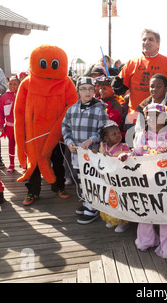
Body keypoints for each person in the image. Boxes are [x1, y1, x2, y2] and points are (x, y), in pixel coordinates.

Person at [119, 103, 167, 258]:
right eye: (150, 115)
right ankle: (146, 241)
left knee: (166, 213)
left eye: (157, 115)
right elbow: (137, 155)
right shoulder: (141, 136)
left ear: (166, 118)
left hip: (166, 181)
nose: (153, 118)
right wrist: (127, 156)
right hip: (146, 180)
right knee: (145, 210)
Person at [62, 76, 110, 224]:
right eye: (83, 89)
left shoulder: (99, 109)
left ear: (94, 90)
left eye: (90, 89)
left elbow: (104, 130)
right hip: (77, 153)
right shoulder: (72, 109)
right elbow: (66, 127)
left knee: (92, 178)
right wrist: (69, 142)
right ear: (78, 91)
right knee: (81, 178)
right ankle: (86, 201)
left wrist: (92, 140)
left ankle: (93, 207)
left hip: (93, 153)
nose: (87, 92)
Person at [112, 29, 167, 113]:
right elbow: (120, 89)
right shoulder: (131, 63)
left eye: (150, 39)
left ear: (158, 43)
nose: (146, 42)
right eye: (144, 39)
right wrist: (117, 86)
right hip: (135, 117)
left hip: (161, 118)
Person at [99, 120, 131, 232]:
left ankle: (123, 221)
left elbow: (129, 157)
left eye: (118, 133)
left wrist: (124, 156)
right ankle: (112, 219)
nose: (118, 135)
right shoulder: (103, 147)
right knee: (110, 198)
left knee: (120, 199)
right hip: (108, 179)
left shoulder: (124, 147)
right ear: (106, 138)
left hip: (120, 179)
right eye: (114, 134)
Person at [0, 76, 19, 173]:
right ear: (7, 84)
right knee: (11, 145)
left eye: (15, 84)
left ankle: (24, 165)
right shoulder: (4, 96)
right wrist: (1, 125)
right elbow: (0, 112)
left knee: (23, 146)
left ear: (19, 85)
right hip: (9, 126)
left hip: (22, 126)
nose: (12, 86)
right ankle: (11, 164)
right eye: (10, 84)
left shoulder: (22, 94)